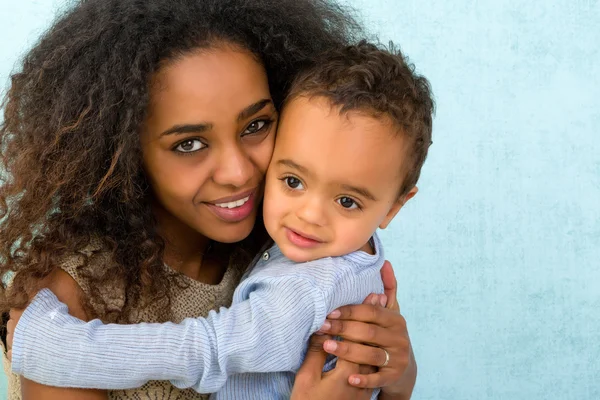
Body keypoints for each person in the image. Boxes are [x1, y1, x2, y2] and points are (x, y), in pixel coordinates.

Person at [0, 1, 417, 400]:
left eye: (256, 124)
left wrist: (393, 381)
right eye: (190, 144)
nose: (237, 172)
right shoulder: (75, 300)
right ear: (122, 151)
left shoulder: (286, 250)